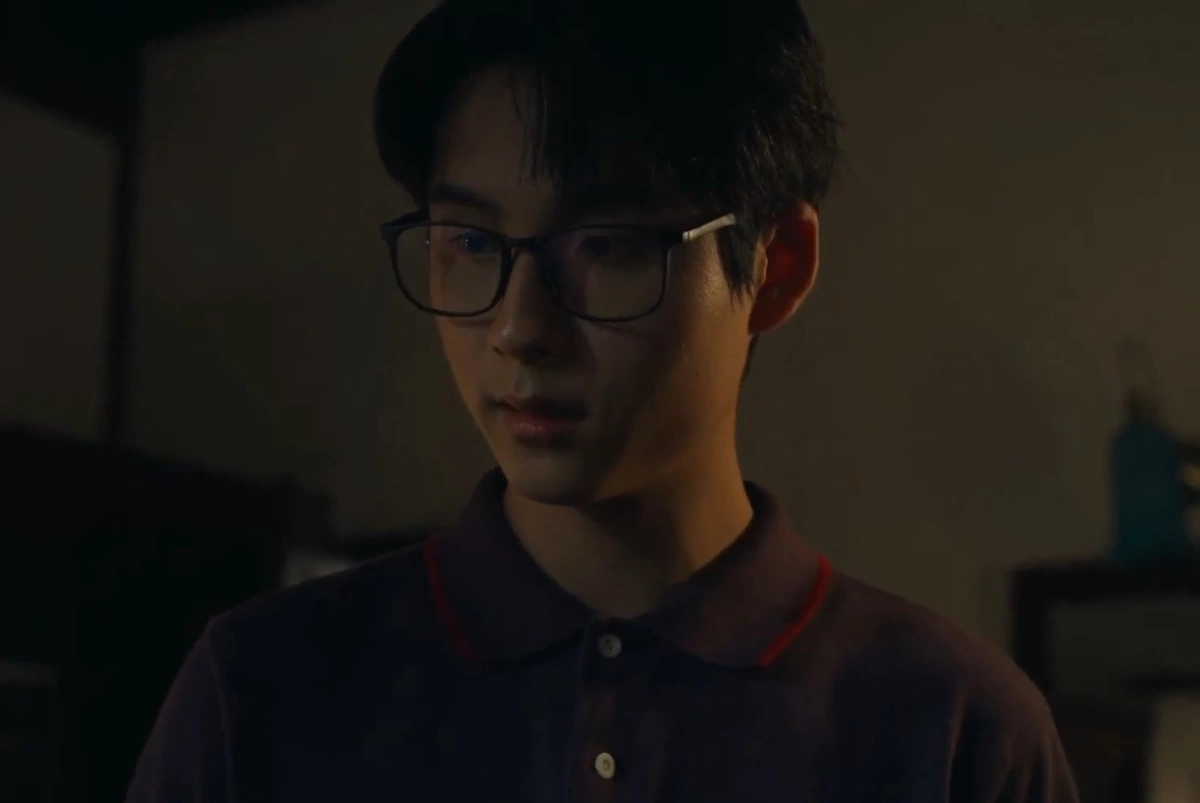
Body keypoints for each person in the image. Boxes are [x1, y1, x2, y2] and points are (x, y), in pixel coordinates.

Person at [127, 0, 1080, 800]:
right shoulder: (261, 690)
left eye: (608, 245)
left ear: (777, 267)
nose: (519, 327)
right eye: (468, 242)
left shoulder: (955, 728)